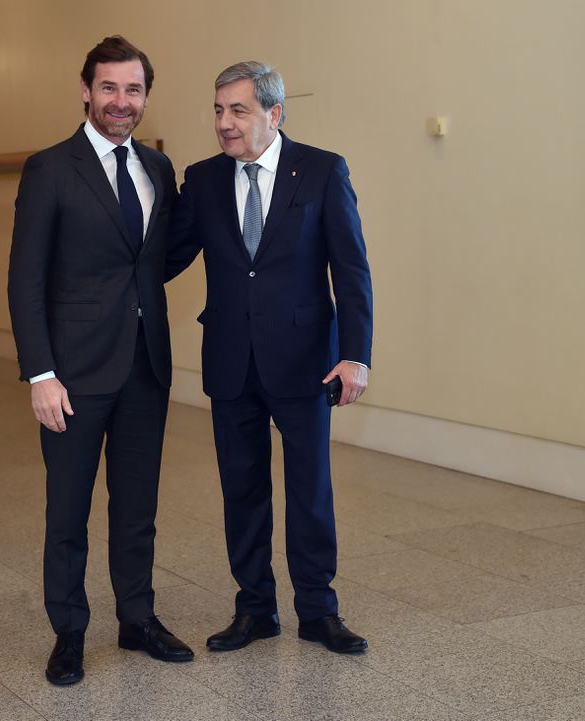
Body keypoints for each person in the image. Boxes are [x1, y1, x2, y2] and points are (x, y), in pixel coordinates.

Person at [166, 61, 373, 654]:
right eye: (217, 110)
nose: (224, 124)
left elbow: (351, 270)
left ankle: (318, 610)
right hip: (231, 360)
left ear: (273, 114)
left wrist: (355, 354)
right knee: (242, 490)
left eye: (238, 110)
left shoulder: (323, 171)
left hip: (307, 361)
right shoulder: (202, 180)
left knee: (309, 491)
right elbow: (168, 258)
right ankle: (255, 609)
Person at [8, 36, 193, 687]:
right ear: (86, 91)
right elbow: (24, 280)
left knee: (137, 504)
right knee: (68, 510)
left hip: (145, 365)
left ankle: (137, 618)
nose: (122, 101)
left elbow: (153, 261)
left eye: (133, 89)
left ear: (146, 96)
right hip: (74, 374)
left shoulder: (157, 170)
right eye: (109, 88)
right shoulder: (50, 169)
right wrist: (40, 373)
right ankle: (69, 631)